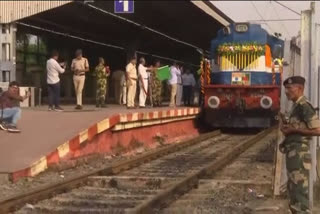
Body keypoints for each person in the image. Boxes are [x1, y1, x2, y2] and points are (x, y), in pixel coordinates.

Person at [280, 76, 320, 213]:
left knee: (299, 193)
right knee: (293, 192)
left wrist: (293, 129)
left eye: (290, 88)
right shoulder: (295, 106)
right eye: (286, 88)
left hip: (300, 155)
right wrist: (287, 129)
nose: (286, 91)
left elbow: (317, 130)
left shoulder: (304, 106)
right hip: (293, 153)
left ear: (300, 88)